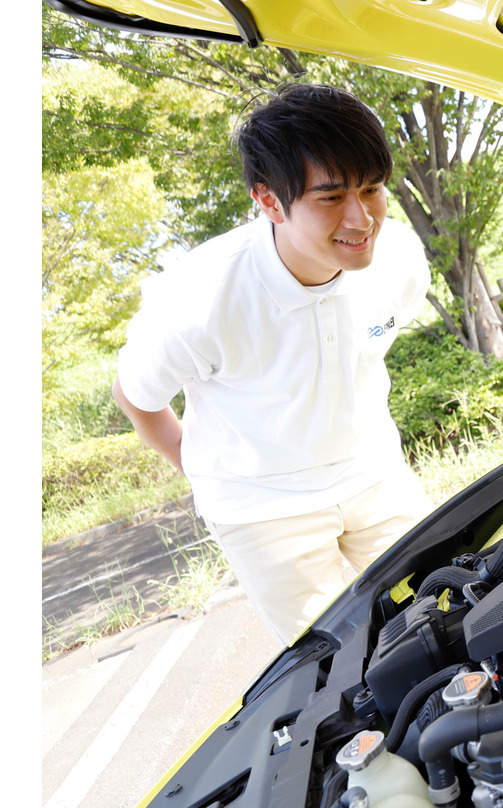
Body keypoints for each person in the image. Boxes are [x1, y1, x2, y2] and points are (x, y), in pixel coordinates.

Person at [112, 83, 434, 644]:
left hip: (376, 475)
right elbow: (135, 396)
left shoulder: (399, 259)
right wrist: (207, 472)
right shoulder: (199, 299)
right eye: (331, 198)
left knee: (449, 607)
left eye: (373, 189)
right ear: (268, 201)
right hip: (263, 512)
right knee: (341, 662)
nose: (362, 219)